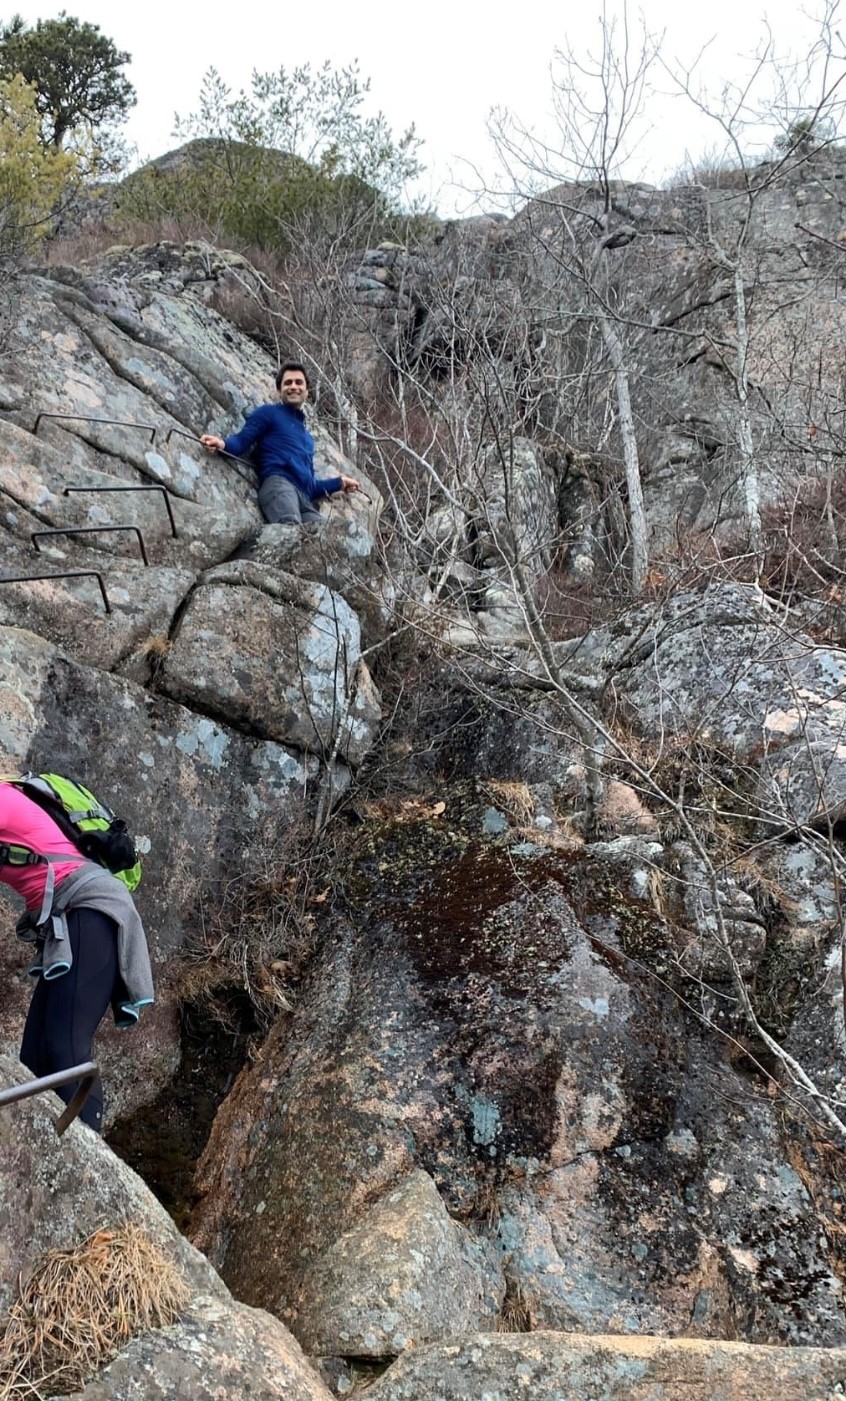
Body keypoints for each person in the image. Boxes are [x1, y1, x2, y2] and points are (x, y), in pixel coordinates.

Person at [0, 780, 154, 1133]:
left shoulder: (3, 799)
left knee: (65, 1046)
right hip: (70, 920)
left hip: (93, 910)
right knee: (34, 1061)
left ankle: (95, 1166)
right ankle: (47, 1156)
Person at [200, 361, 361, 525]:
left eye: (299, 382)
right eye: (287, 383)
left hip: (304, 500)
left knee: (323, 542)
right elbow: (242, 440)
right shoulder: (268, 413)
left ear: (307, 391)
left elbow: (310, 487)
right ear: (279, 390)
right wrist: (222, 444)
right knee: (292, 533)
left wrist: (339, 483)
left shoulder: (307, 439)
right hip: (279, 486)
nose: (293, 386)